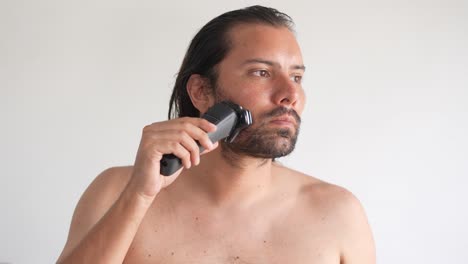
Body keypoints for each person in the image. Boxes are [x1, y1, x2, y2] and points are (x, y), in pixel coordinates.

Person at [57, 5, 375, 264]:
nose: (290, 94)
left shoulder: (338, 214)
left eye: (296, 76)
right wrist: (139, 197)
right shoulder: (117, 191)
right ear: (200, 91)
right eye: (262, 73)